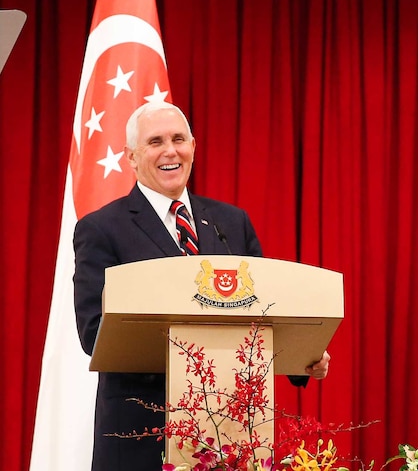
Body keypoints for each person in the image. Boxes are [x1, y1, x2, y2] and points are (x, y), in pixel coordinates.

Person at [73, 101, 331, 471]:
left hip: (231, 430)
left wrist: (302, 357)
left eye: (179, 139)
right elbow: (94, 332)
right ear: (131, 157)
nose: (170, 150)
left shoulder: (232, 222)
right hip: (142, 435)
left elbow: (265, 311)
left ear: (193, 146)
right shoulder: (101, 229)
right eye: (155, 141)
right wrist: (190, 347)